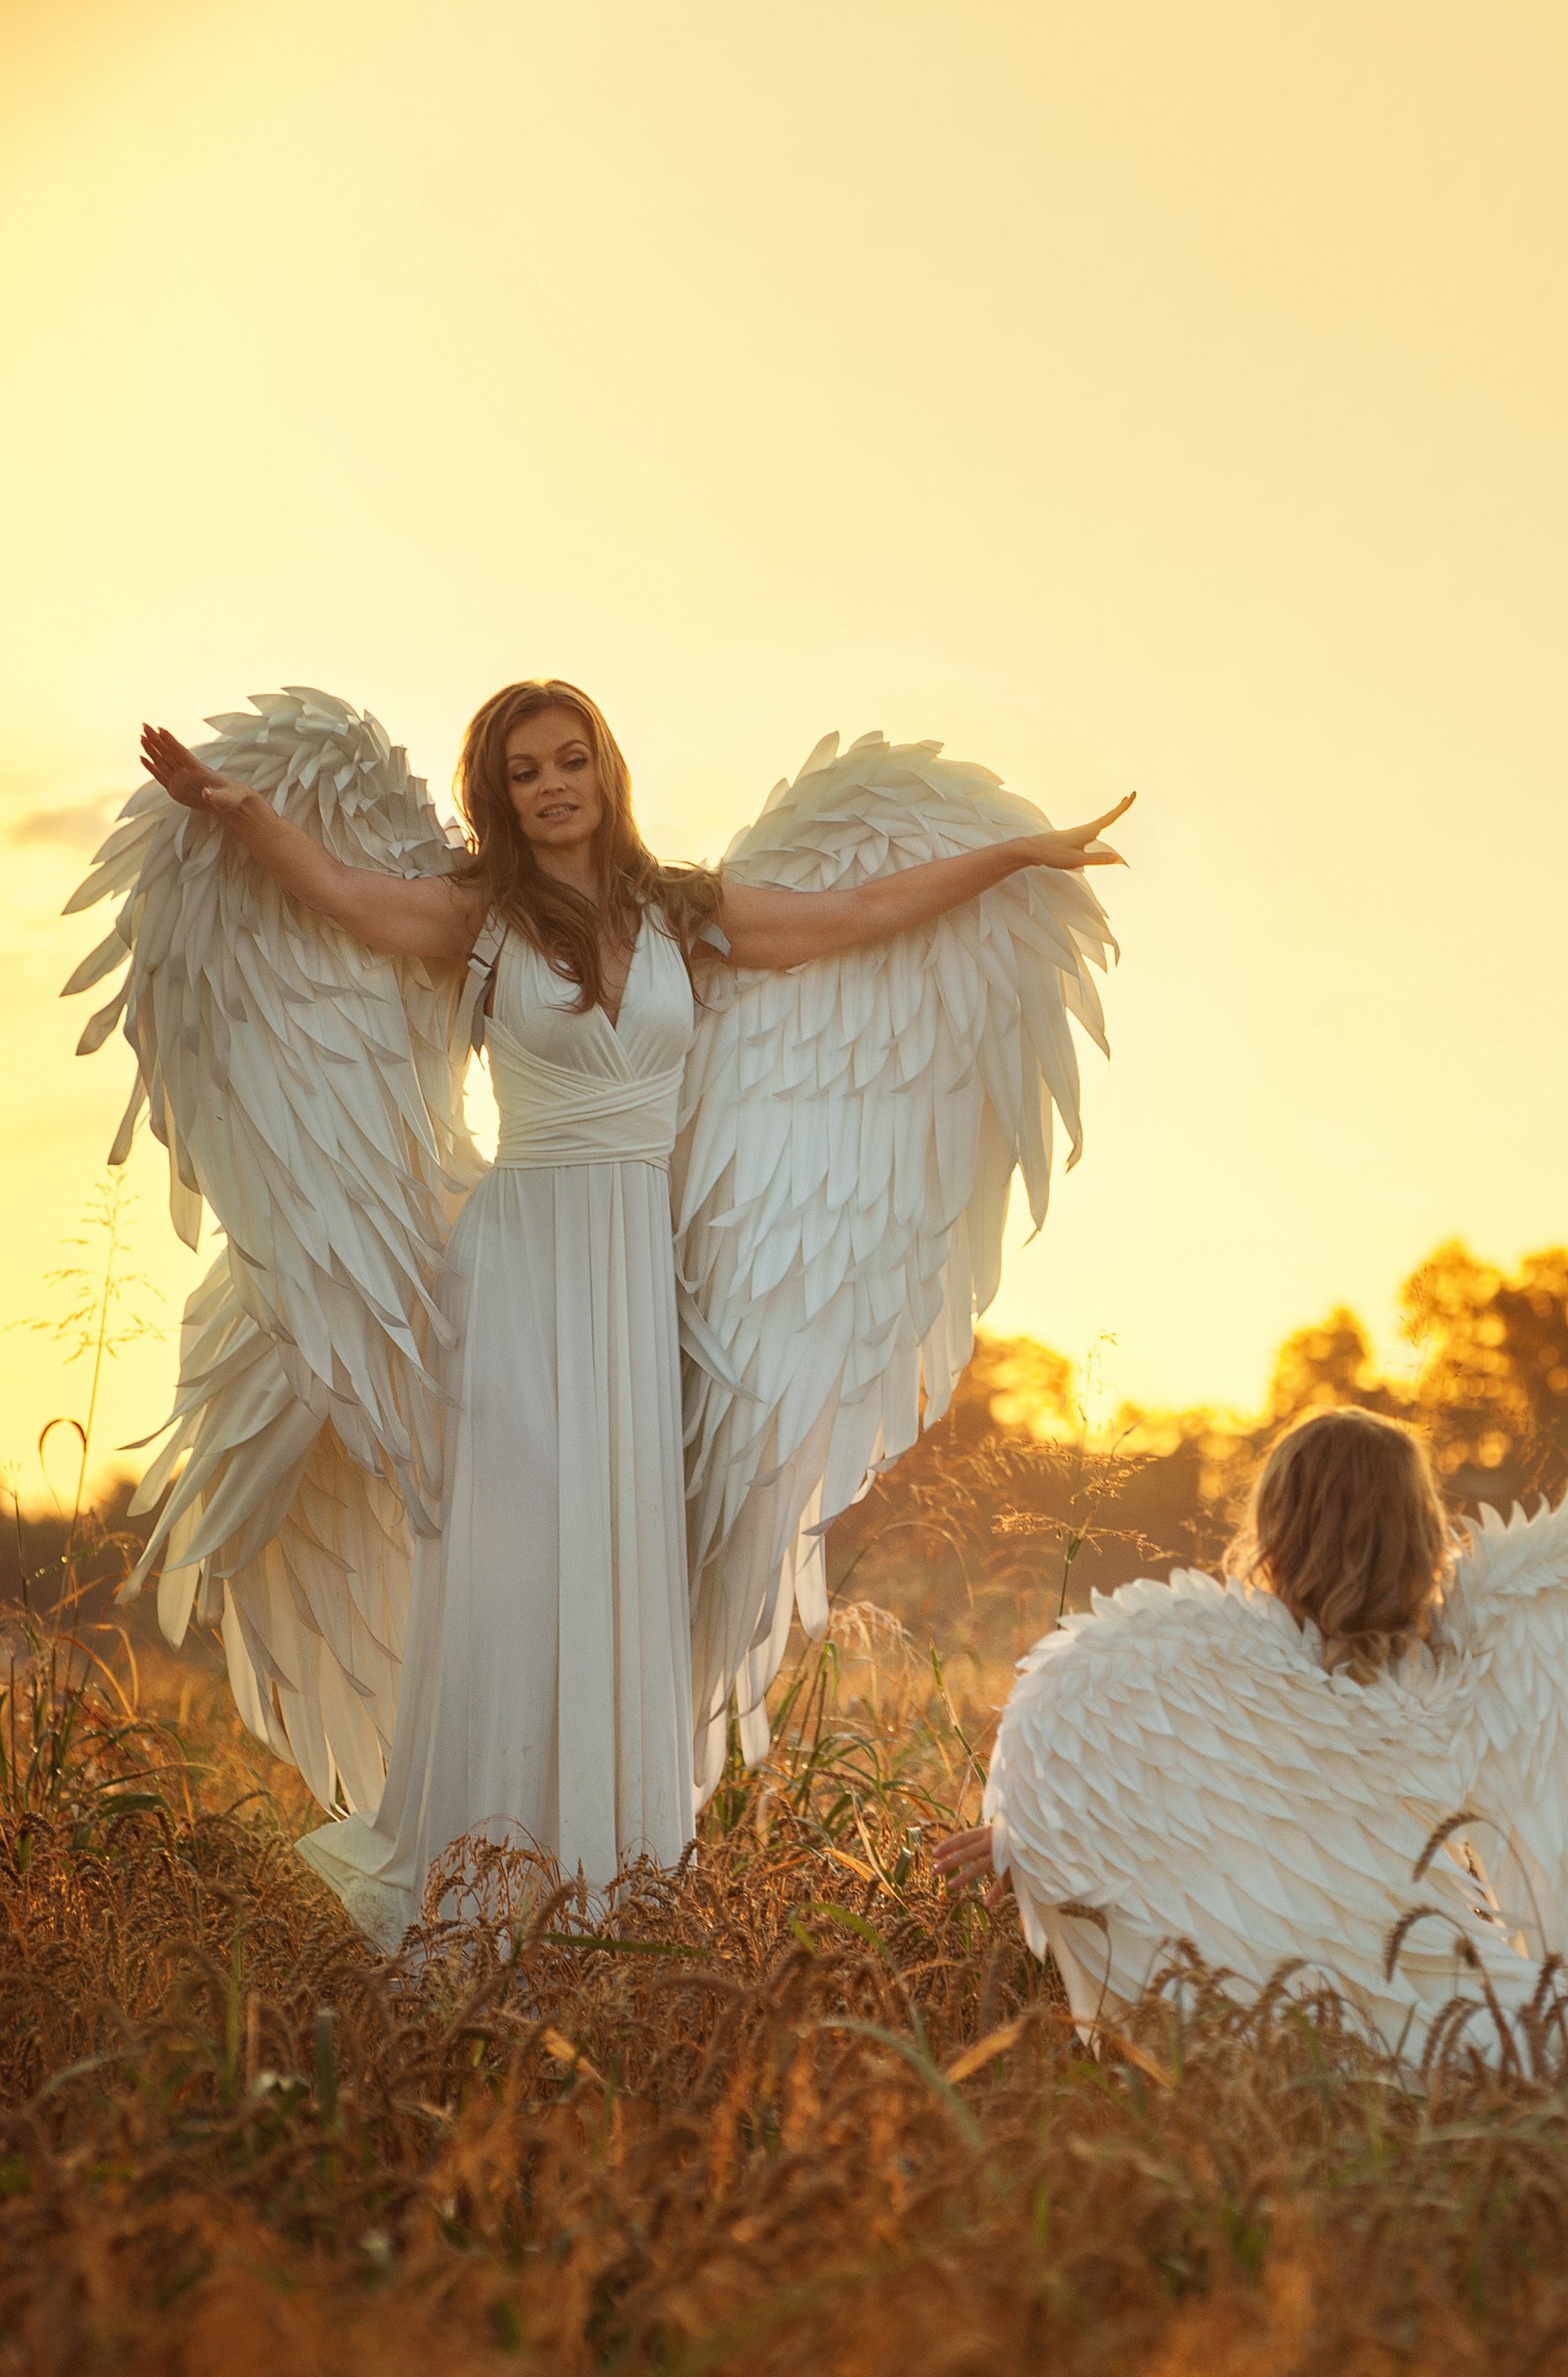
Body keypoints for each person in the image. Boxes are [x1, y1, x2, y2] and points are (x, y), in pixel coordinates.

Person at [118, 680, 1129, 1946]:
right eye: (526, 770)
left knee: (622, 1570)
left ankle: (609, 1892)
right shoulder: (480, 919)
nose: (552, 786)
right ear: (501, 792)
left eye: (570, 759)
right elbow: (342, 896)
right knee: (513, 1572)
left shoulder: (685, 917)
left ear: (605, 769)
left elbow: (859, 913)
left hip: (631, 1280)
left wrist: (1020, 854)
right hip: (522, 1274)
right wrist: (237, 809)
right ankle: (472, 1889)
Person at [938, 1409, 1568, 2063]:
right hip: (1495, 2033)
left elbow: (1235, 1857)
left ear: (1273, 1529)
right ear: (1423, 1530)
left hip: (1307, 2054)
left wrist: (1052, 1833)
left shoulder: (1191, 1683)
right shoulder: (1494, 1670)